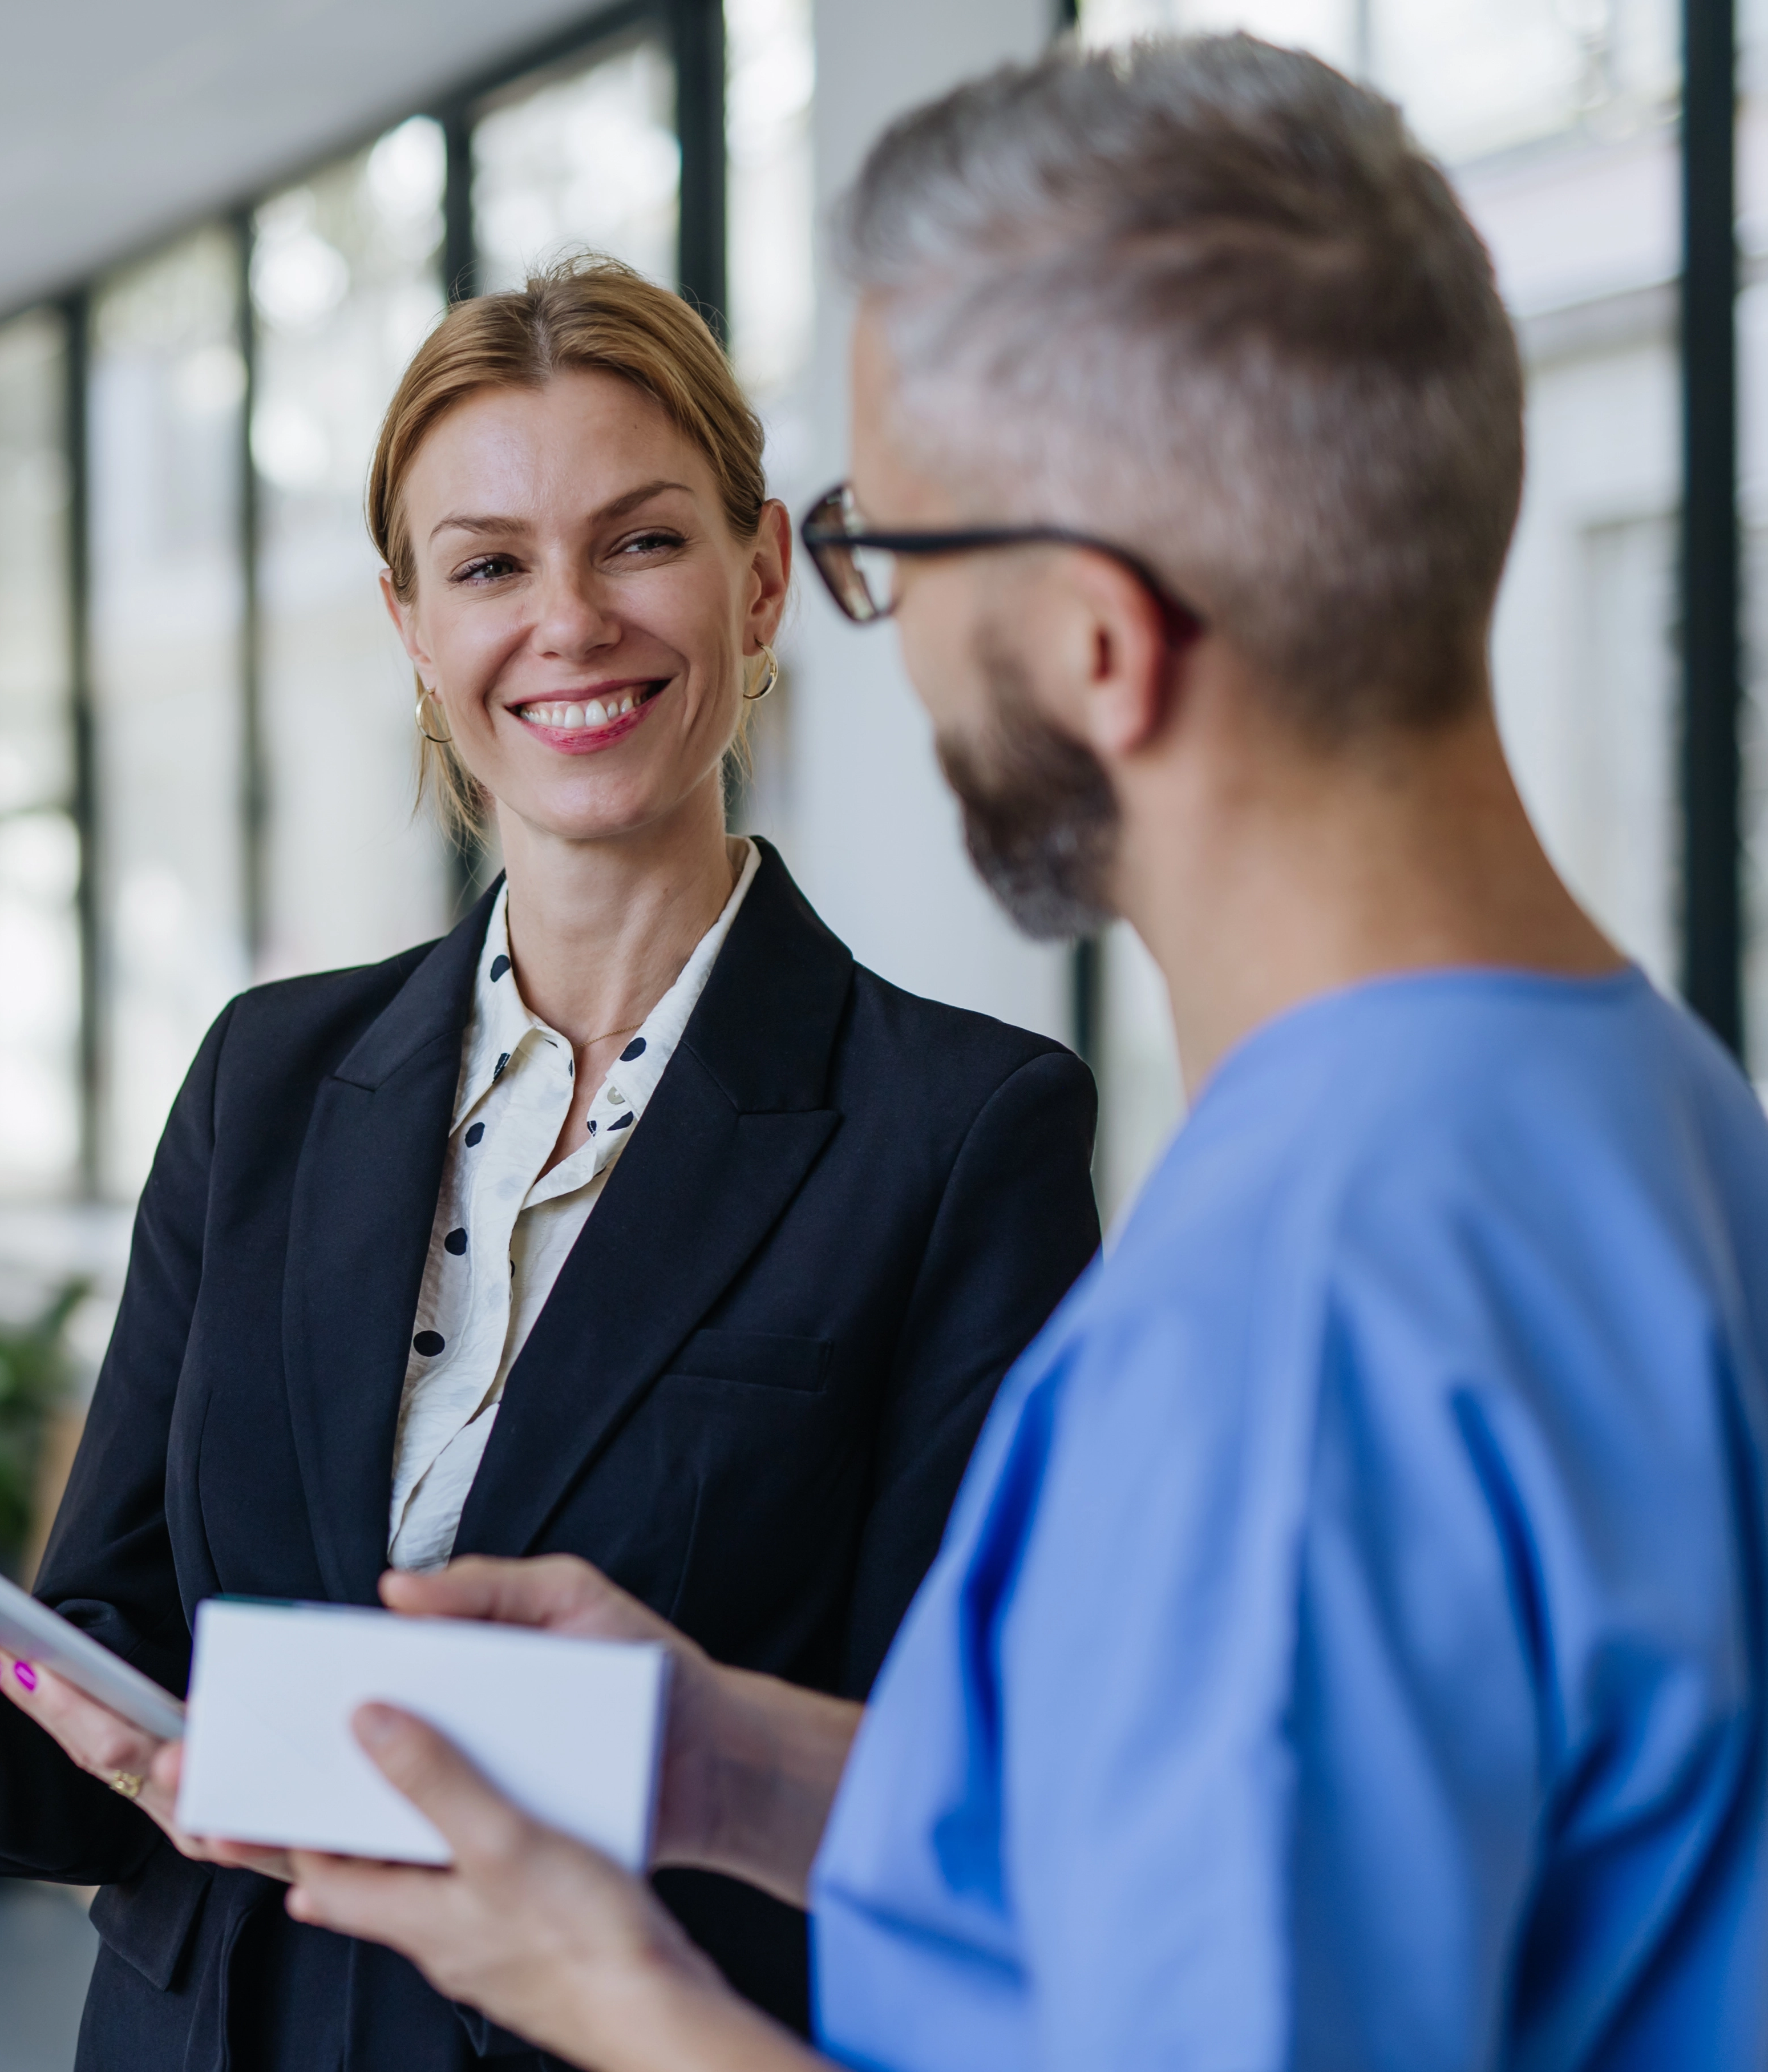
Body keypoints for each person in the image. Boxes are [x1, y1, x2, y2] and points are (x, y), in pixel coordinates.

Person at [246, 39, 1768, 2072]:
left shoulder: (1280, 1324)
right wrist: (728, 1768)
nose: (877, 623)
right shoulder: (1645, 1110)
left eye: (888, 549)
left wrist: (609, 1992)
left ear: (1095, 640)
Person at [0, 259, 1102, 2071]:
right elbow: (114, 1685)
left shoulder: (959, 1131)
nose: (567, 623)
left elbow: (938, 1782)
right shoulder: (270, 1079)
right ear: (407, 620)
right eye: (486, 565)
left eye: (637, 543)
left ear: (760, 571)